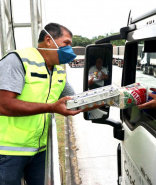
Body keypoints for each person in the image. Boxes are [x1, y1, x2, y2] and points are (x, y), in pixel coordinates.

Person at [0, 23, 98, 185]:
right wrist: (52, 108)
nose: (69, 49)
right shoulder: (17, 60)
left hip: (40, 150)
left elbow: (73, 101)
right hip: (8, 151)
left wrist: (108, 98)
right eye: (66, 43)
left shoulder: (59, 70)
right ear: (48, 40)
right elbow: (3, 105)